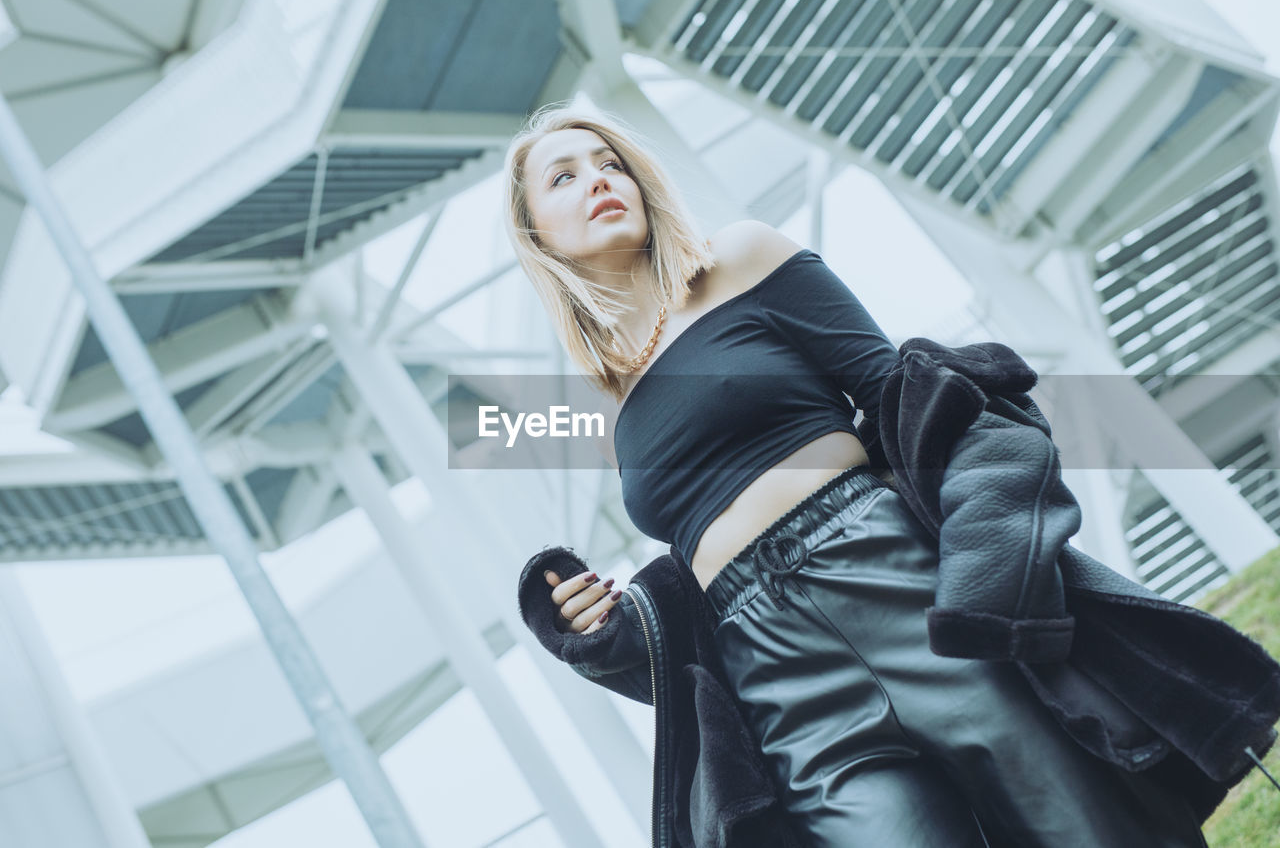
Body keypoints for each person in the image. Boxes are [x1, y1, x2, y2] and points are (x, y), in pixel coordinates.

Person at [503, 101, 1269, 846]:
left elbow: (899, 393)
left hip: (894, 580)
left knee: (1084, 825)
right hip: (774, 669)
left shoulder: (742, 259)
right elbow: (693, 566)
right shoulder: (606, 412)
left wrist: (982, 559)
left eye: (612, 164)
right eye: (564, 177)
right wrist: (609, 624)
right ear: (539, 235)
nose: (600, 179)